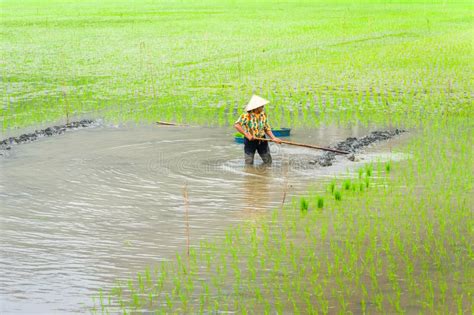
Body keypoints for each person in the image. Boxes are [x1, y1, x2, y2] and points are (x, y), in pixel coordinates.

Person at [234, 95, 281, 165]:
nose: (263, 107)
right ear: (256, 107)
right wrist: (246, 134)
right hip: (250, 140)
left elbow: (266, 128)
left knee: (268, 161)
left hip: (262, 140)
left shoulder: (263, 114)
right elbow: (237, 125)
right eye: (262, 106)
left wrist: (273, 138)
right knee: (249, 162)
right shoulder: (246, 115)